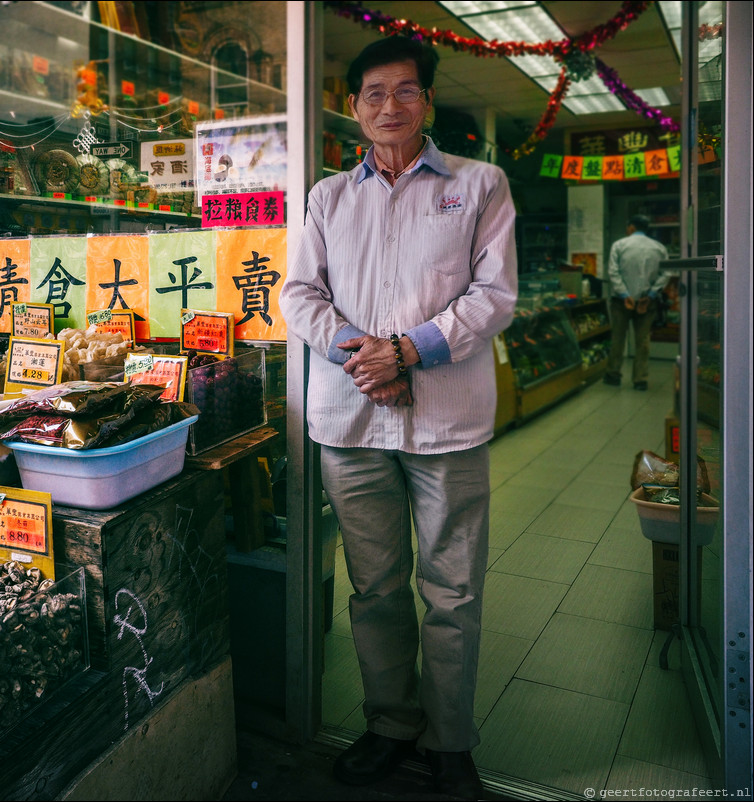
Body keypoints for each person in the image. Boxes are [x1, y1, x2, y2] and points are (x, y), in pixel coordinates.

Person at [279, 36, 517, 801]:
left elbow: (493, 296)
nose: (390, 105)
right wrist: (365, 354)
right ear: (353, 108)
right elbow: (300, 296)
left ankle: (451, 742)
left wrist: (407, 352)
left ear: (428, 102)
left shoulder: (480, 184)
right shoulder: (327, 197)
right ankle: (390, 725)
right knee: (374, 587)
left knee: (453, 589)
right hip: (349, 422)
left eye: (405, 91)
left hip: (446, 421)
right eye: (374, 92)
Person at [603, 214, 671, 390]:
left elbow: (613, 272)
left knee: (618, 338)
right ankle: (640, 380)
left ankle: (613, 375)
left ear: (631, 228)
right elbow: (666, 274)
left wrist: (625, 295)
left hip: (621, 301)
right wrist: (650, 295)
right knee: (643, 342)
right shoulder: (659, 248)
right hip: (646, 303)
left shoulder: (619, 245)